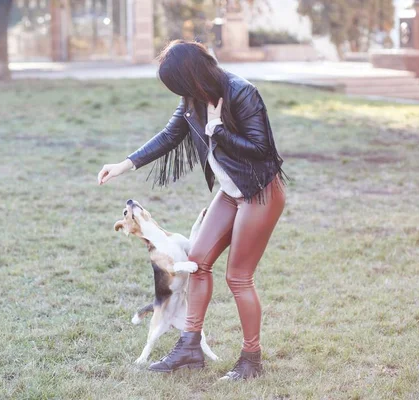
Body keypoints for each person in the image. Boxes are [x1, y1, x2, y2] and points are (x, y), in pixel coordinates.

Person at [97, 40, 287, 381]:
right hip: (232, 192)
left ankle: (251, 360)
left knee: (238, 277)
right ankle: (190, 346)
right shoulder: (194, 100)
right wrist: (124, 164)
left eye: (180, 86)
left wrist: (218, 131)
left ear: (193, 76)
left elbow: (263, 150)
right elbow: (169, 136)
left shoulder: (242, 93)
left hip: (260, 192)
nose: (180, 94)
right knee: (197, 262)